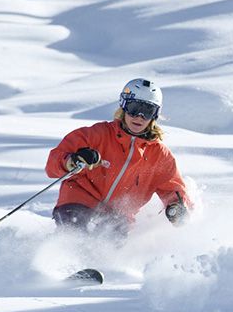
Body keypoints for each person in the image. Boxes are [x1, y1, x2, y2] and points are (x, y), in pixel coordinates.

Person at [46, 78, 193, 236]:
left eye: (148, 111)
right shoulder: (97, 135)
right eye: (134, 108)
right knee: (75, 234)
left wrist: (177, 207)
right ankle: (60, 258)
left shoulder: (159, 156)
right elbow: (53, 164)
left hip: (118, 216)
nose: (139, 117)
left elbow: (174, 189)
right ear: (123, 106)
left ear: (155, 115)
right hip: (78, 200)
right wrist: (72, 161)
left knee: (108, 249)